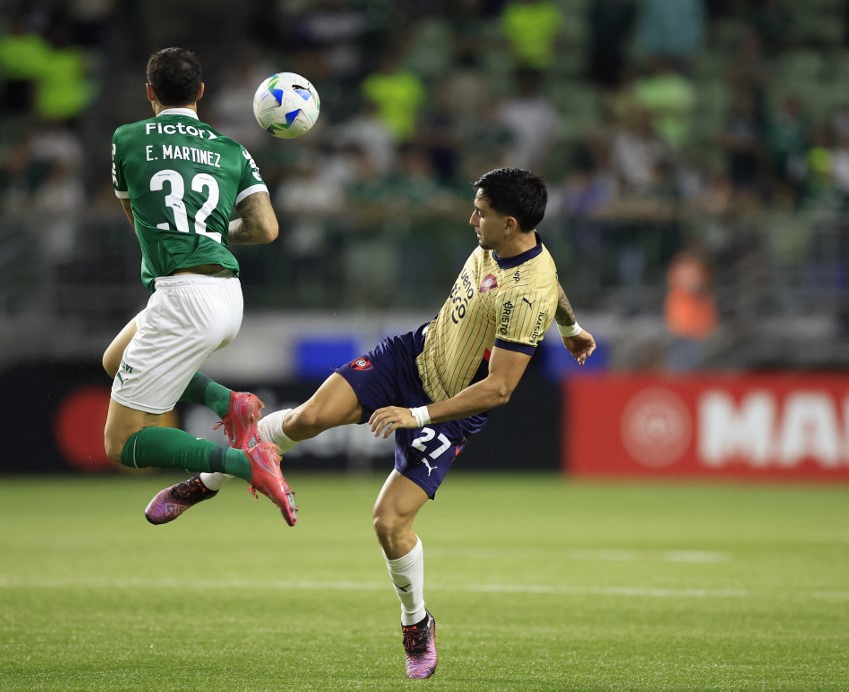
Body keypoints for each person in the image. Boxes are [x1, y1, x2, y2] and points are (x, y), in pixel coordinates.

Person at [147, 167, 597, 678]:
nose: (472, 218)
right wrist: (573, 327)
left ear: (511, 222)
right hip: (412, 356)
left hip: (447, 410)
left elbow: (500, 389)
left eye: (481, 212)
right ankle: (206, 482)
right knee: (307, 417)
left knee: (389, 523)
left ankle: (416, 622)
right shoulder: (511, 248)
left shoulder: (525, 291)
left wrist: (418, 415)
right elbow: (556, 281)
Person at [102, 47, 297, 526]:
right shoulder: (233, 150)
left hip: (182, 298)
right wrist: (213, 234)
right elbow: (267, 229)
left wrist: (185, 238)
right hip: (228, 294)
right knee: (114, 360)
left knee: (122, 444)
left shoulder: (127, 139)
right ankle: (227, 402)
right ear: (201, 93)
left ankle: (243, 461)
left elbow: (141, 223)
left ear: (149, 92)